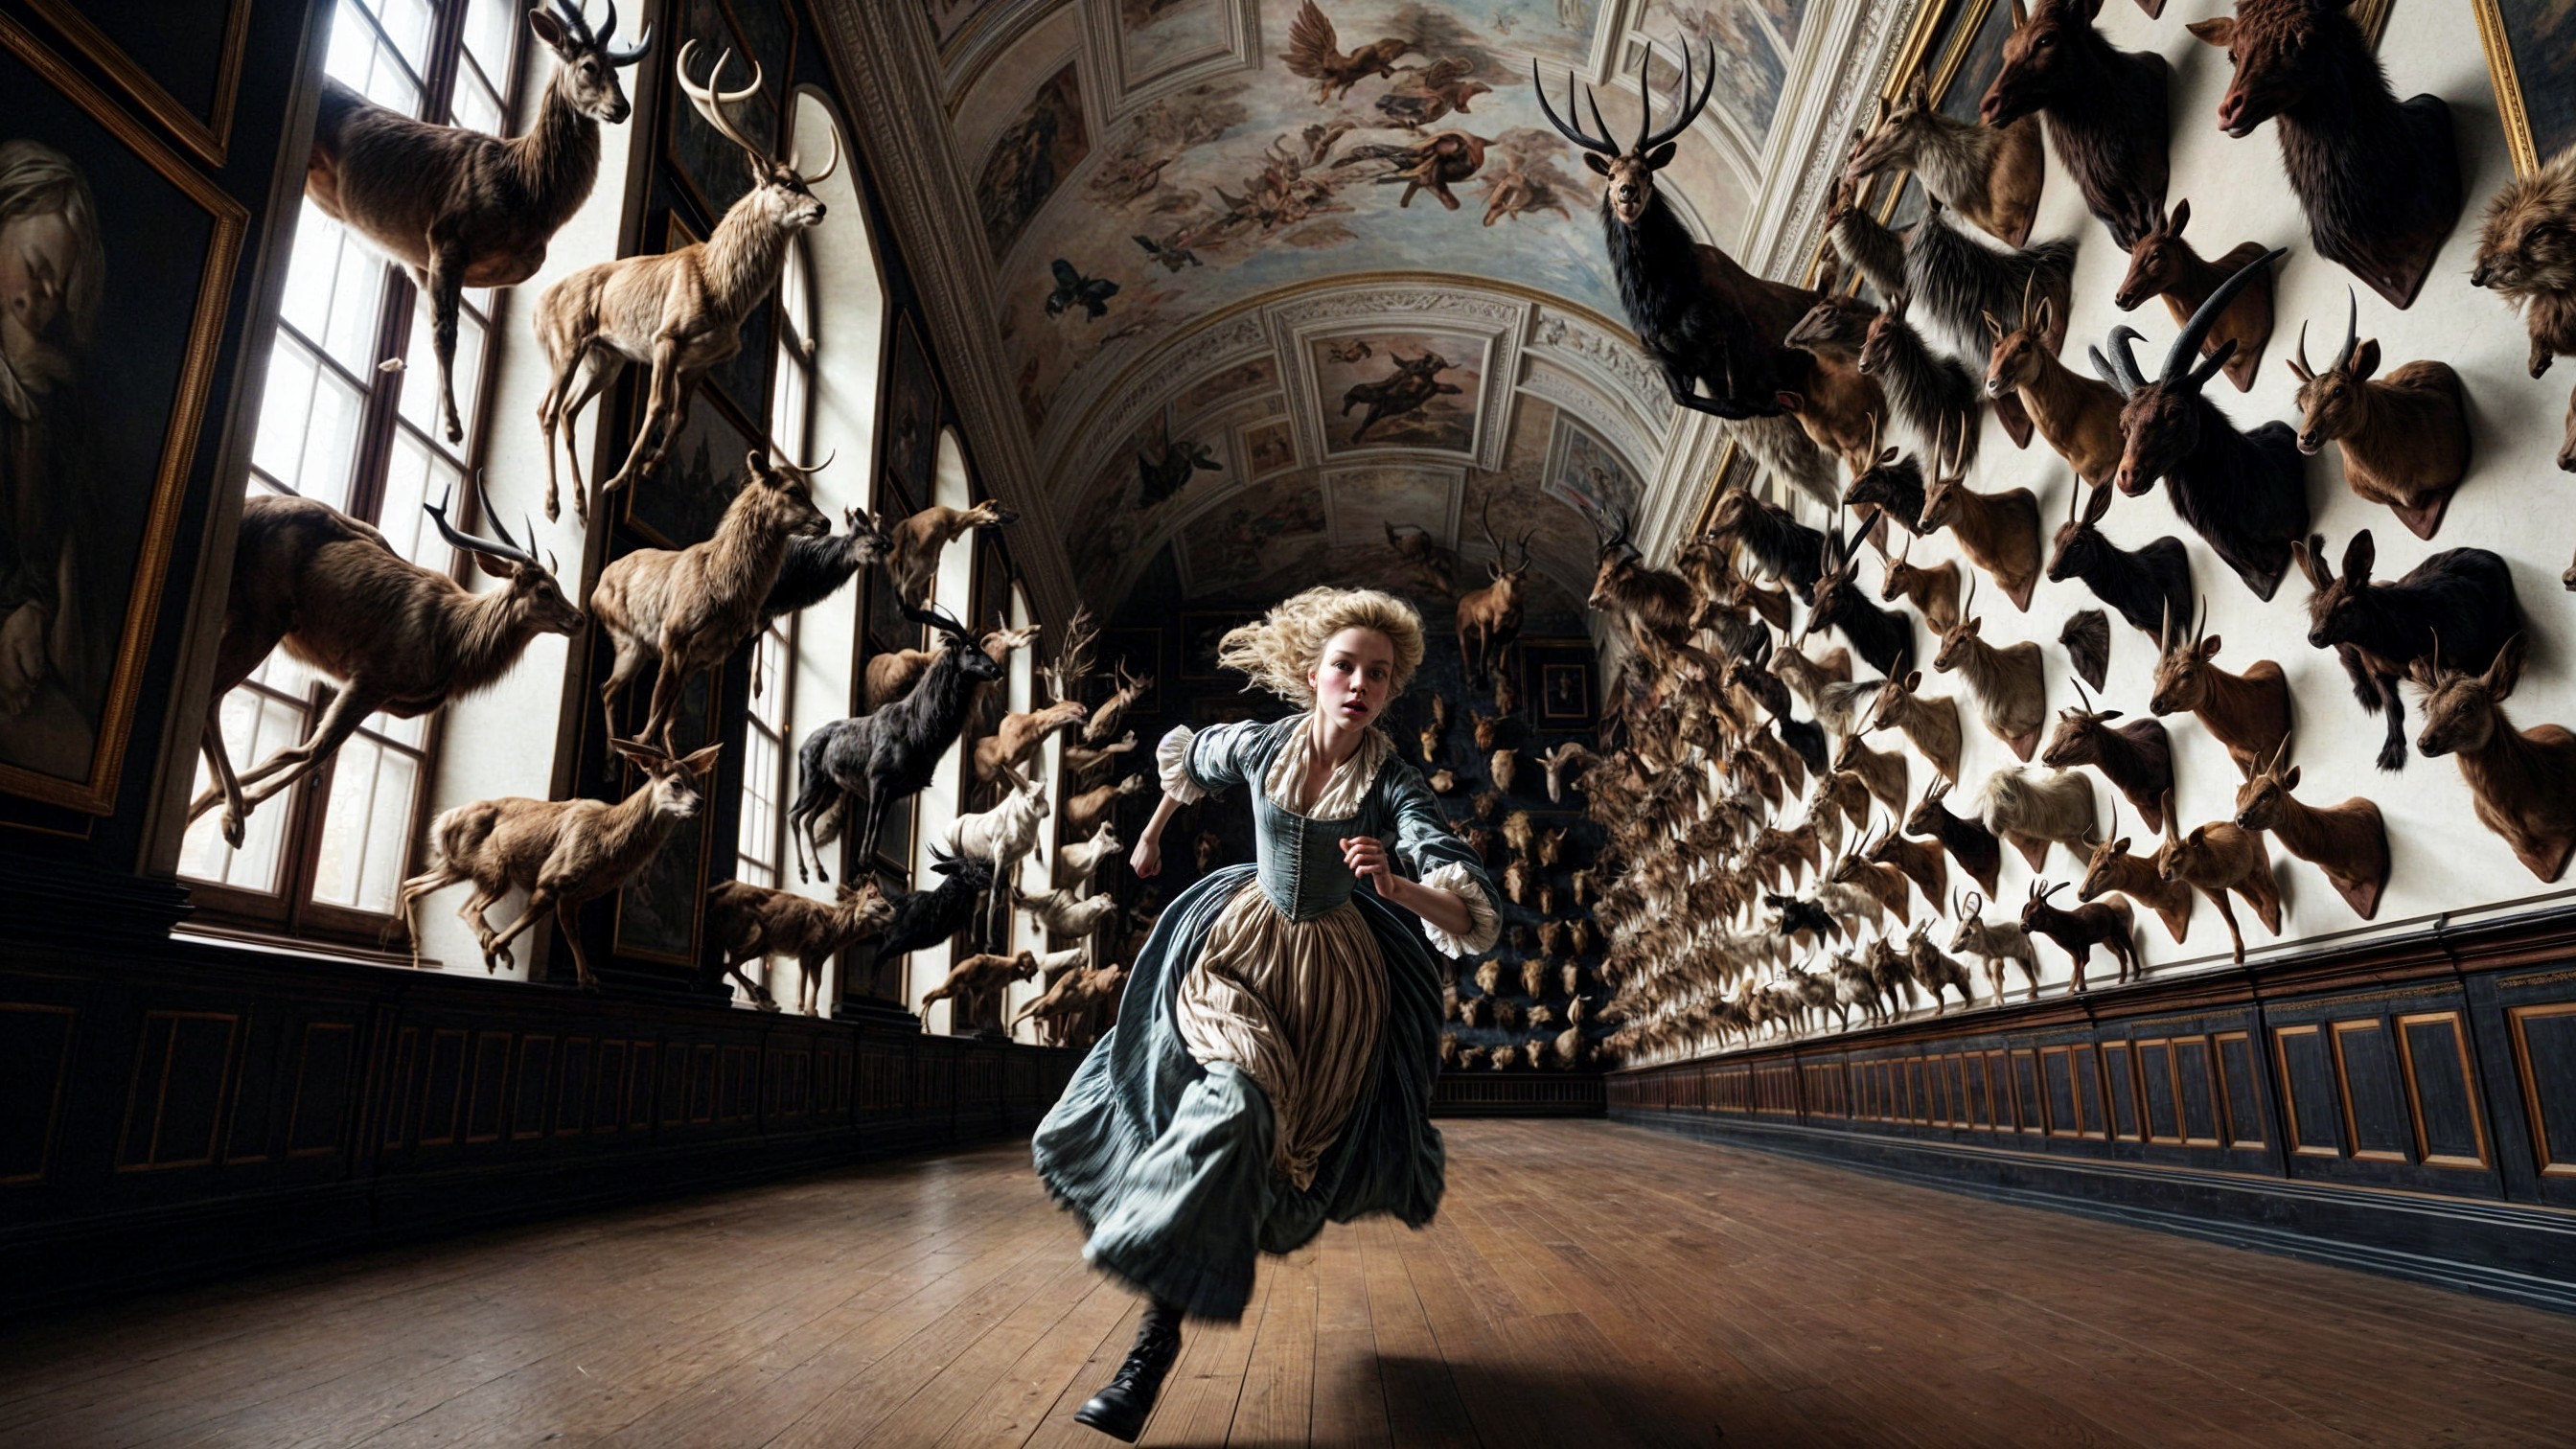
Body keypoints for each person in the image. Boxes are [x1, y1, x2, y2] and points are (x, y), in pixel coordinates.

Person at [1032, 586, 1497, 1441]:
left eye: (1378, 675)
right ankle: (1150, 1350)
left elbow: (1467, 909)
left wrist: (1398, 887)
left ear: (1390, 691)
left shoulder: (1393, 784)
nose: (1360, 685)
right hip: (1239, 949)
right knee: (1233, 1100)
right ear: (1314, 674)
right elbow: (1188, 762)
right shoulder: (1260, 745)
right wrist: (1151, 835)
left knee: (1260, 1134)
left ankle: (1162, 1266)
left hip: (1329, 985)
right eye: (1345, 667)